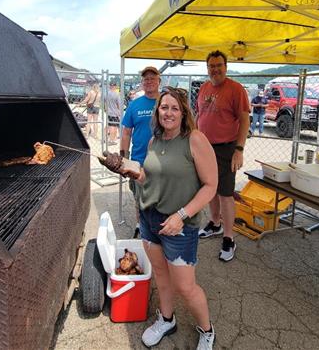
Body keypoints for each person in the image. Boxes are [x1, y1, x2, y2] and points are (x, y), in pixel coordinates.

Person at [101, 87, 218, 349]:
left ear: (183, 112)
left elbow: (211, 186)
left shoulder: (195, 140)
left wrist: (181, 215)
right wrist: (125, 167)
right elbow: (148, 177)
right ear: (157, 111)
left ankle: (207, 330)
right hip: (149, 219)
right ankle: (167, 319)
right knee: (162, 277)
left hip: (179, 225)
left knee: (185, 287)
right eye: (164, 107)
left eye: (175, 108)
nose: (168, 113)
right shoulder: (155, 141)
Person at [196, 50, 250, 262]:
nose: (215, 69)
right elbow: (199, 115)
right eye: (212, 66)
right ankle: (215, 223)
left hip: (227, 148)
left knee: (226, 193)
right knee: (210, 188)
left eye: (219, 65)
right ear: (207, 68)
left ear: (226, 67)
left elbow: (244, 120)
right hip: (205, 147)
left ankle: (229, 238)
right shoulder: (204, 88)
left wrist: (239, 150)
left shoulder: (236, 89)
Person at [120, 66, 161, 237]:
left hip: (162, 160)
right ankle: (141, 225)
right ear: (142, 83)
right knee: (139, 197)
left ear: (159, 81)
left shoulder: (165, 102)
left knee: (161, 197)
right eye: (146, 79)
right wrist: (124, 157)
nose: (149, 81)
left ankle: (159, 227)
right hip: (138, 160)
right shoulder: (135, 105)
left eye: (153, 78)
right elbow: (126, 132)